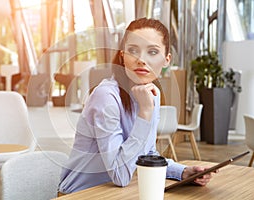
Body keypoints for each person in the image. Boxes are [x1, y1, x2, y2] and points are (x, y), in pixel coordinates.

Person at [58, 17, 213, 195]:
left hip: (118, 192)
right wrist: (145, 113)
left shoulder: (149, 95)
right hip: (81, 194)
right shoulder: (106, 97)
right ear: (123, 55)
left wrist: (183, 172)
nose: (141, 60)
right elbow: (120, 174)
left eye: (153, 52)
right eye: (133, 50)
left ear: (166, 59)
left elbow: (148, 154)